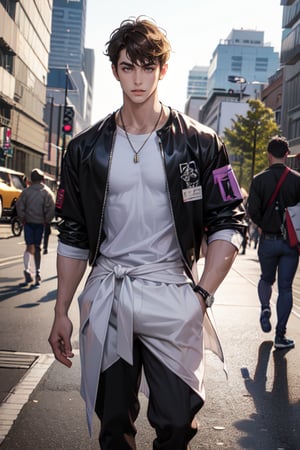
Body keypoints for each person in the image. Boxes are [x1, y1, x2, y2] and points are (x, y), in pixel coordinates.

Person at [48, 17, 245, 450]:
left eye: (147, 66)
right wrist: (62, 309)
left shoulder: (202, 143)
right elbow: (75, 232)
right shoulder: (85, 148)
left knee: (177, 423)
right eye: (127, 67)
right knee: (114, 426)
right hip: (108, 295)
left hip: (174, 292)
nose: (138, 78)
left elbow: (229, 219)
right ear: (115, 70)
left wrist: (202, 296)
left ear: (163, 69)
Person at [248, 136, 300, 350]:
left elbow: (252, 210)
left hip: (268, 240)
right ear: (287, 154)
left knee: (266, 279)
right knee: (285, 288)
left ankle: (264, 308)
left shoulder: (259, 179)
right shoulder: (297, 180)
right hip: (290, 243)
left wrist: (261, 225)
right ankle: (280, 335)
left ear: (269, 154)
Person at [16, 168, 55, 286]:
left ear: (31, 179)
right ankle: (37, 272)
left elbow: (19, 205)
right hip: (40, 223)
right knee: (37, 247)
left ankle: (27, 269)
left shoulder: (26, 192)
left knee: (29, 246)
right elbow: (51, 209)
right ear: (42, 179)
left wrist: (23, 217)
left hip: (28, 222)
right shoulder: (47, 192)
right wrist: (46, 220)